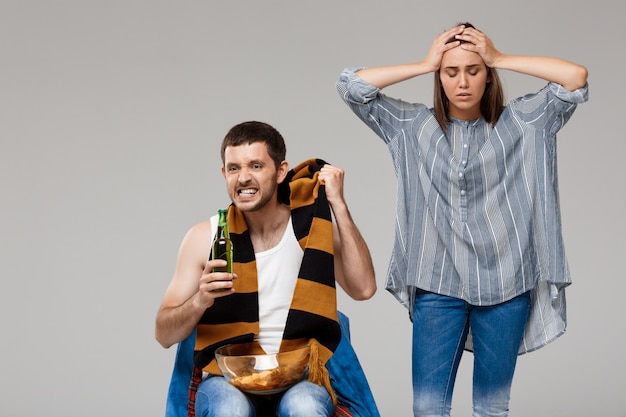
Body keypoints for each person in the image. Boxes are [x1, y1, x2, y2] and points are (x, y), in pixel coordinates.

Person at [336, 22, 588, 417]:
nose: (463, 81)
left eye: (474, 70)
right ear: (440, 77)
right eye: (451, 72)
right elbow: (352, 86)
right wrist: (425, 63)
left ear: (488, 76)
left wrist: (499, 56)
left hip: (508, 284)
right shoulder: (412, 127)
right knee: (427, 407)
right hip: (437, 285)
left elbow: (575, 79)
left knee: (491, 408)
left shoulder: (524, 121)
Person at [155, 121, 377, 417]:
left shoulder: (309, 231)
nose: (243, 178)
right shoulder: (204, 238)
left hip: (298, 376)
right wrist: (200, 301)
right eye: (233, 168)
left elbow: (364, 289)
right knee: (229, 408)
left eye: (256, 166)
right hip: (227, 379)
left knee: (305, 406)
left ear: (281, 171)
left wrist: (338, 204)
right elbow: (164, 334)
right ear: (224, 174)